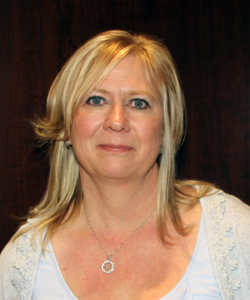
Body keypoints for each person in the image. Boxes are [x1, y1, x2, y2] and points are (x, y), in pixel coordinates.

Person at [0, 30, 250, 300]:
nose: (117, 121)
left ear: (166, 128)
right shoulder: (24, 260)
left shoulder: (233, 232)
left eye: (139, 103)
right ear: (66, 125)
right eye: (96, 100)